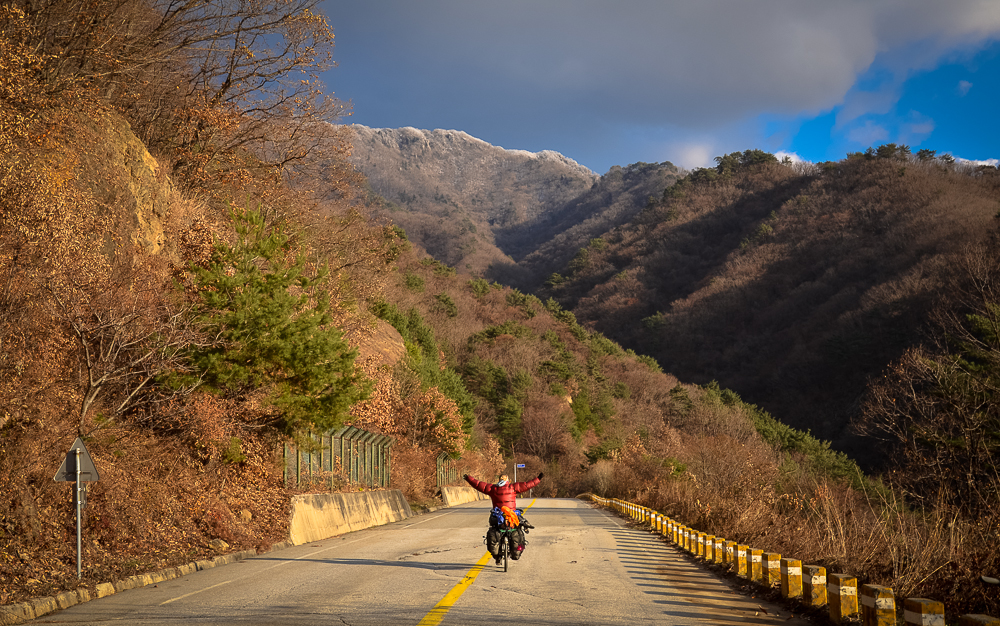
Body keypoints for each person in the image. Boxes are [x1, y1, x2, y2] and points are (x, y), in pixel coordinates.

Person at [464, 472, 542, 564]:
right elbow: (527, 485)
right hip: (511, 515)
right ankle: (514, 551)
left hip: (497, 515)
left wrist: (469, 478)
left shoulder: (492, 488)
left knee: (494, 529)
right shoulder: (513, 487)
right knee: (517, 528)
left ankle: (497, 556)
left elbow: (479, 485)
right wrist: (538, 479)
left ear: (499, 480)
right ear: (507, 480)